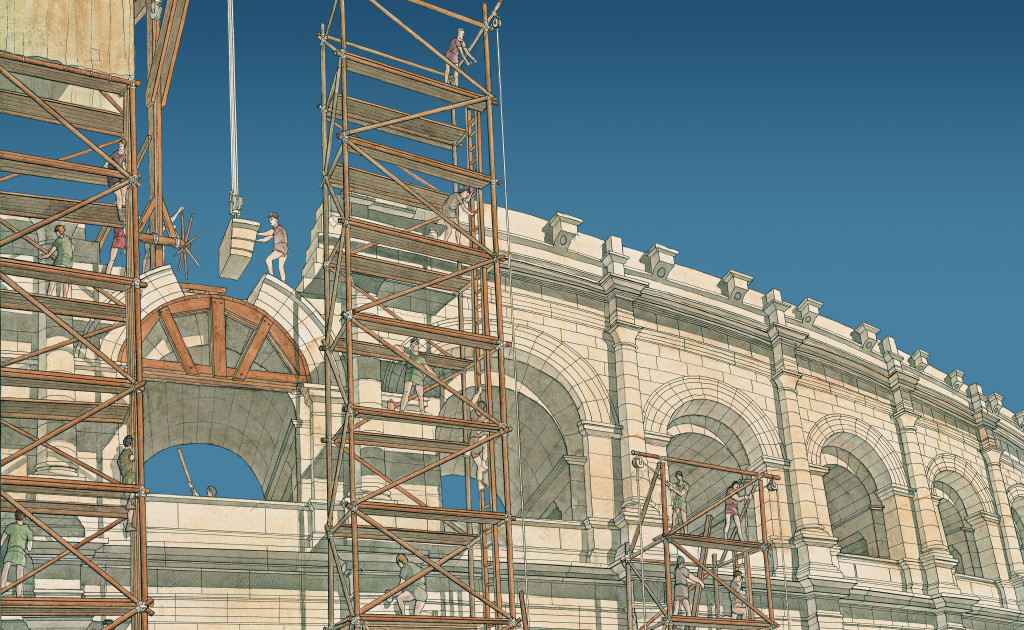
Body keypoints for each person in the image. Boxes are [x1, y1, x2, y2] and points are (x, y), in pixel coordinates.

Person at [103, 138, 128, 274]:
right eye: (119, 146)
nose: (119, 148)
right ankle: (120, 211)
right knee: (119, 195)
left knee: (124, 192)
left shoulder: (124, 156)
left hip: (121, 178)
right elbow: (105, 165)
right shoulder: (114, 154)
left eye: (121, 146)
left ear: (124, 148)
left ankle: (122, 206)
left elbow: (124, 168)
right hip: (114, 178)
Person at [398, 338, 438, 413]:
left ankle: (422, 411)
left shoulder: (421, 358)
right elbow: (396, 347)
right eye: (414, 345)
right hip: (410, 375)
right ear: (411, 346)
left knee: (420, 395)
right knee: (406, 392)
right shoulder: (409, 352)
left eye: (417, 345)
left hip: (419, 377)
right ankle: (402, 409)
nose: (415, 346)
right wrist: (403, 353)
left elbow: (428, 369)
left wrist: (434, 375)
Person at [1, 511, 33, 596]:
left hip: (10, 552)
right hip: (20, 553)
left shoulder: (10, 527)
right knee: (20, 574)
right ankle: (18, 594)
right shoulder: (27, 529)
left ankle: (2, 590)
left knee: (5, 570)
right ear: (24, 518)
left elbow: (1, 541)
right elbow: (29, 548)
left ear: (15, 517)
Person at [38, 224, 74, 297]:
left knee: (53, 279)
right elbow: (73, 248)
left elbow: (49, 254)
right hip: (69, 263)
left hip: (60, 262)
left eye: (56, 232)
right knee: (66, 281)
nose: (56, 233)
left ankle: (49, 295)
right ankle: (65, 297)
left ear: (58, 232)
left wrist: (41, 257)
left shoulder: (58, 241)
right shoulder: (67, 238)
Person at [466, 389, 490, 489]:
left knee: (480, 466)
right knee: (479, 466)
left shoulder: (477, 415)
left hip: (477, 441)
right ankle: (479, 483)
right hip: (475, 442)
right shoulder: (479, 416)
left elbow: (472, 402)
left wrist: (479, 392)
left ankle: (484, 462)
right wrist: (479, 391)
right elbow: (472, 402)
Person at [257, 212, 288, 282]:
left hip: (279, 249)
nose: (270, 221)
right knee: (280, 266)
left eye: (271, 219)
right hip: (284, 250)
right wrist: (256, 240)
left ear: (276, 220)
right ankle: (283, 281)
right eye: (270, 220)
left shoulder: (277, 229)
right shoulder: (277, 230)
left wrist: (256, 233)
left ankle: (271, 276)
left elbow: (265, 234)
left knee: (268, 260)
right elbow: (265, 239)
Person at [117, 435, 137, 533]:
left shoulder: (121, 455)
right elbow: (133, 458)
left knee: (130, 505)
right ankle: (130, 501)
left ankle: (129, 524)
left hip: (124, 478)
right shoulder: (129, 452)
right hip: (130, 476)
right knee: (132, 499)